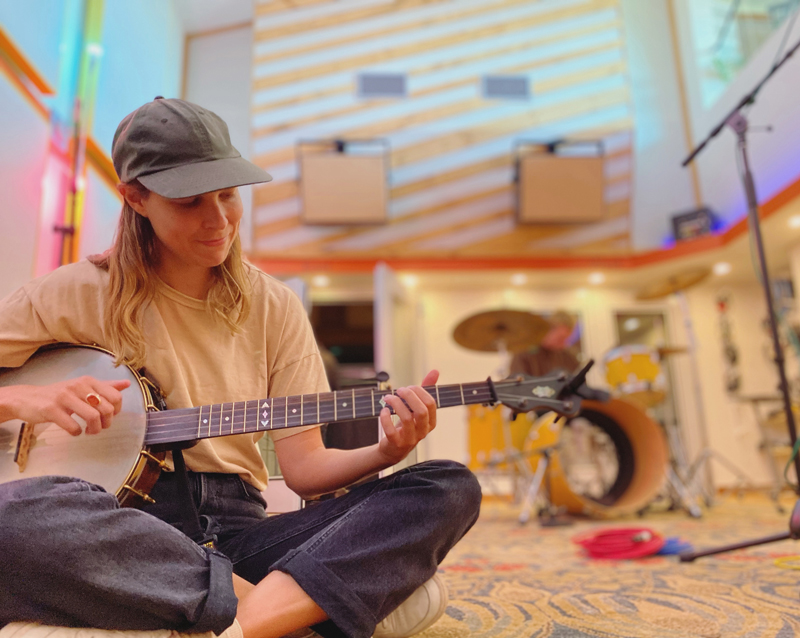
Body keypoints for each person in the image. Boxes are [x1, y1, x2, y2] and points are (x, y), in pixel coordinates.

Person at [0, 98, 482, 638]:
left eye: (229, 195)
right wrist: (24, 401)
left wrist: (388, 451)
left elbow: (304, 469)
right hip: (120, 530)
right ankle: (283, 611)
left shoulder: (274, 305)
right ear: (135, 197)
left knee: (447, 486)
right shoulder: (72, 291)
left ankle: (233, 619)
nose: (219, 220)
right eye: (190, 202)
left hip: (238, 532)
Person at [509, 311, 580, 378]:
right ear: (549, 329)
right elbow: (517, 383)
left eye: (566, 339)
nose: (563, 344)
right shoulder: (523, 352)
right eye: (560, 338)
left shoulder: (565, 355)